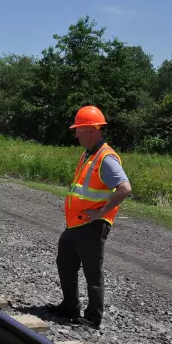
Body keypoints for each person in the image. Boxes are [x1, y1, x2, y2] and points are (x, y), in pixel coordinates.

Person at [47, 106, 132, 329]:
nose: (76, 135)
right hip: (76, 223)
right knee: (65, 262)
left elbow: (124, 188)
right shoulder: (89, 154)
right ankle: (69, 307)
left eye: (79, 130)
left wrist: (102, 213)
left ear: (93, 130)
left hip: (92, 225)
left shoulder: (106, 158)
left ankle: (93, 317)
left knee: (92, 271)